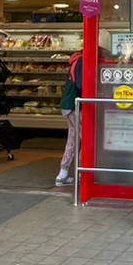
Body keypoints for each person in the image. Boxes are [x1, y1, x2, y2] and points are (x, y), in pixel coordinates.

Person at [56, 50, 83, 186]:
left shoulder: (75, 61)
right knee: (87, 139)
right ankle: (83, 173)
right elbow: (81, 84)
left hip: (69, 105)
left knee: (72, 139)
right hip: (75, 106)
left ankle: (63, 173)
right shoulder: (81, 61)